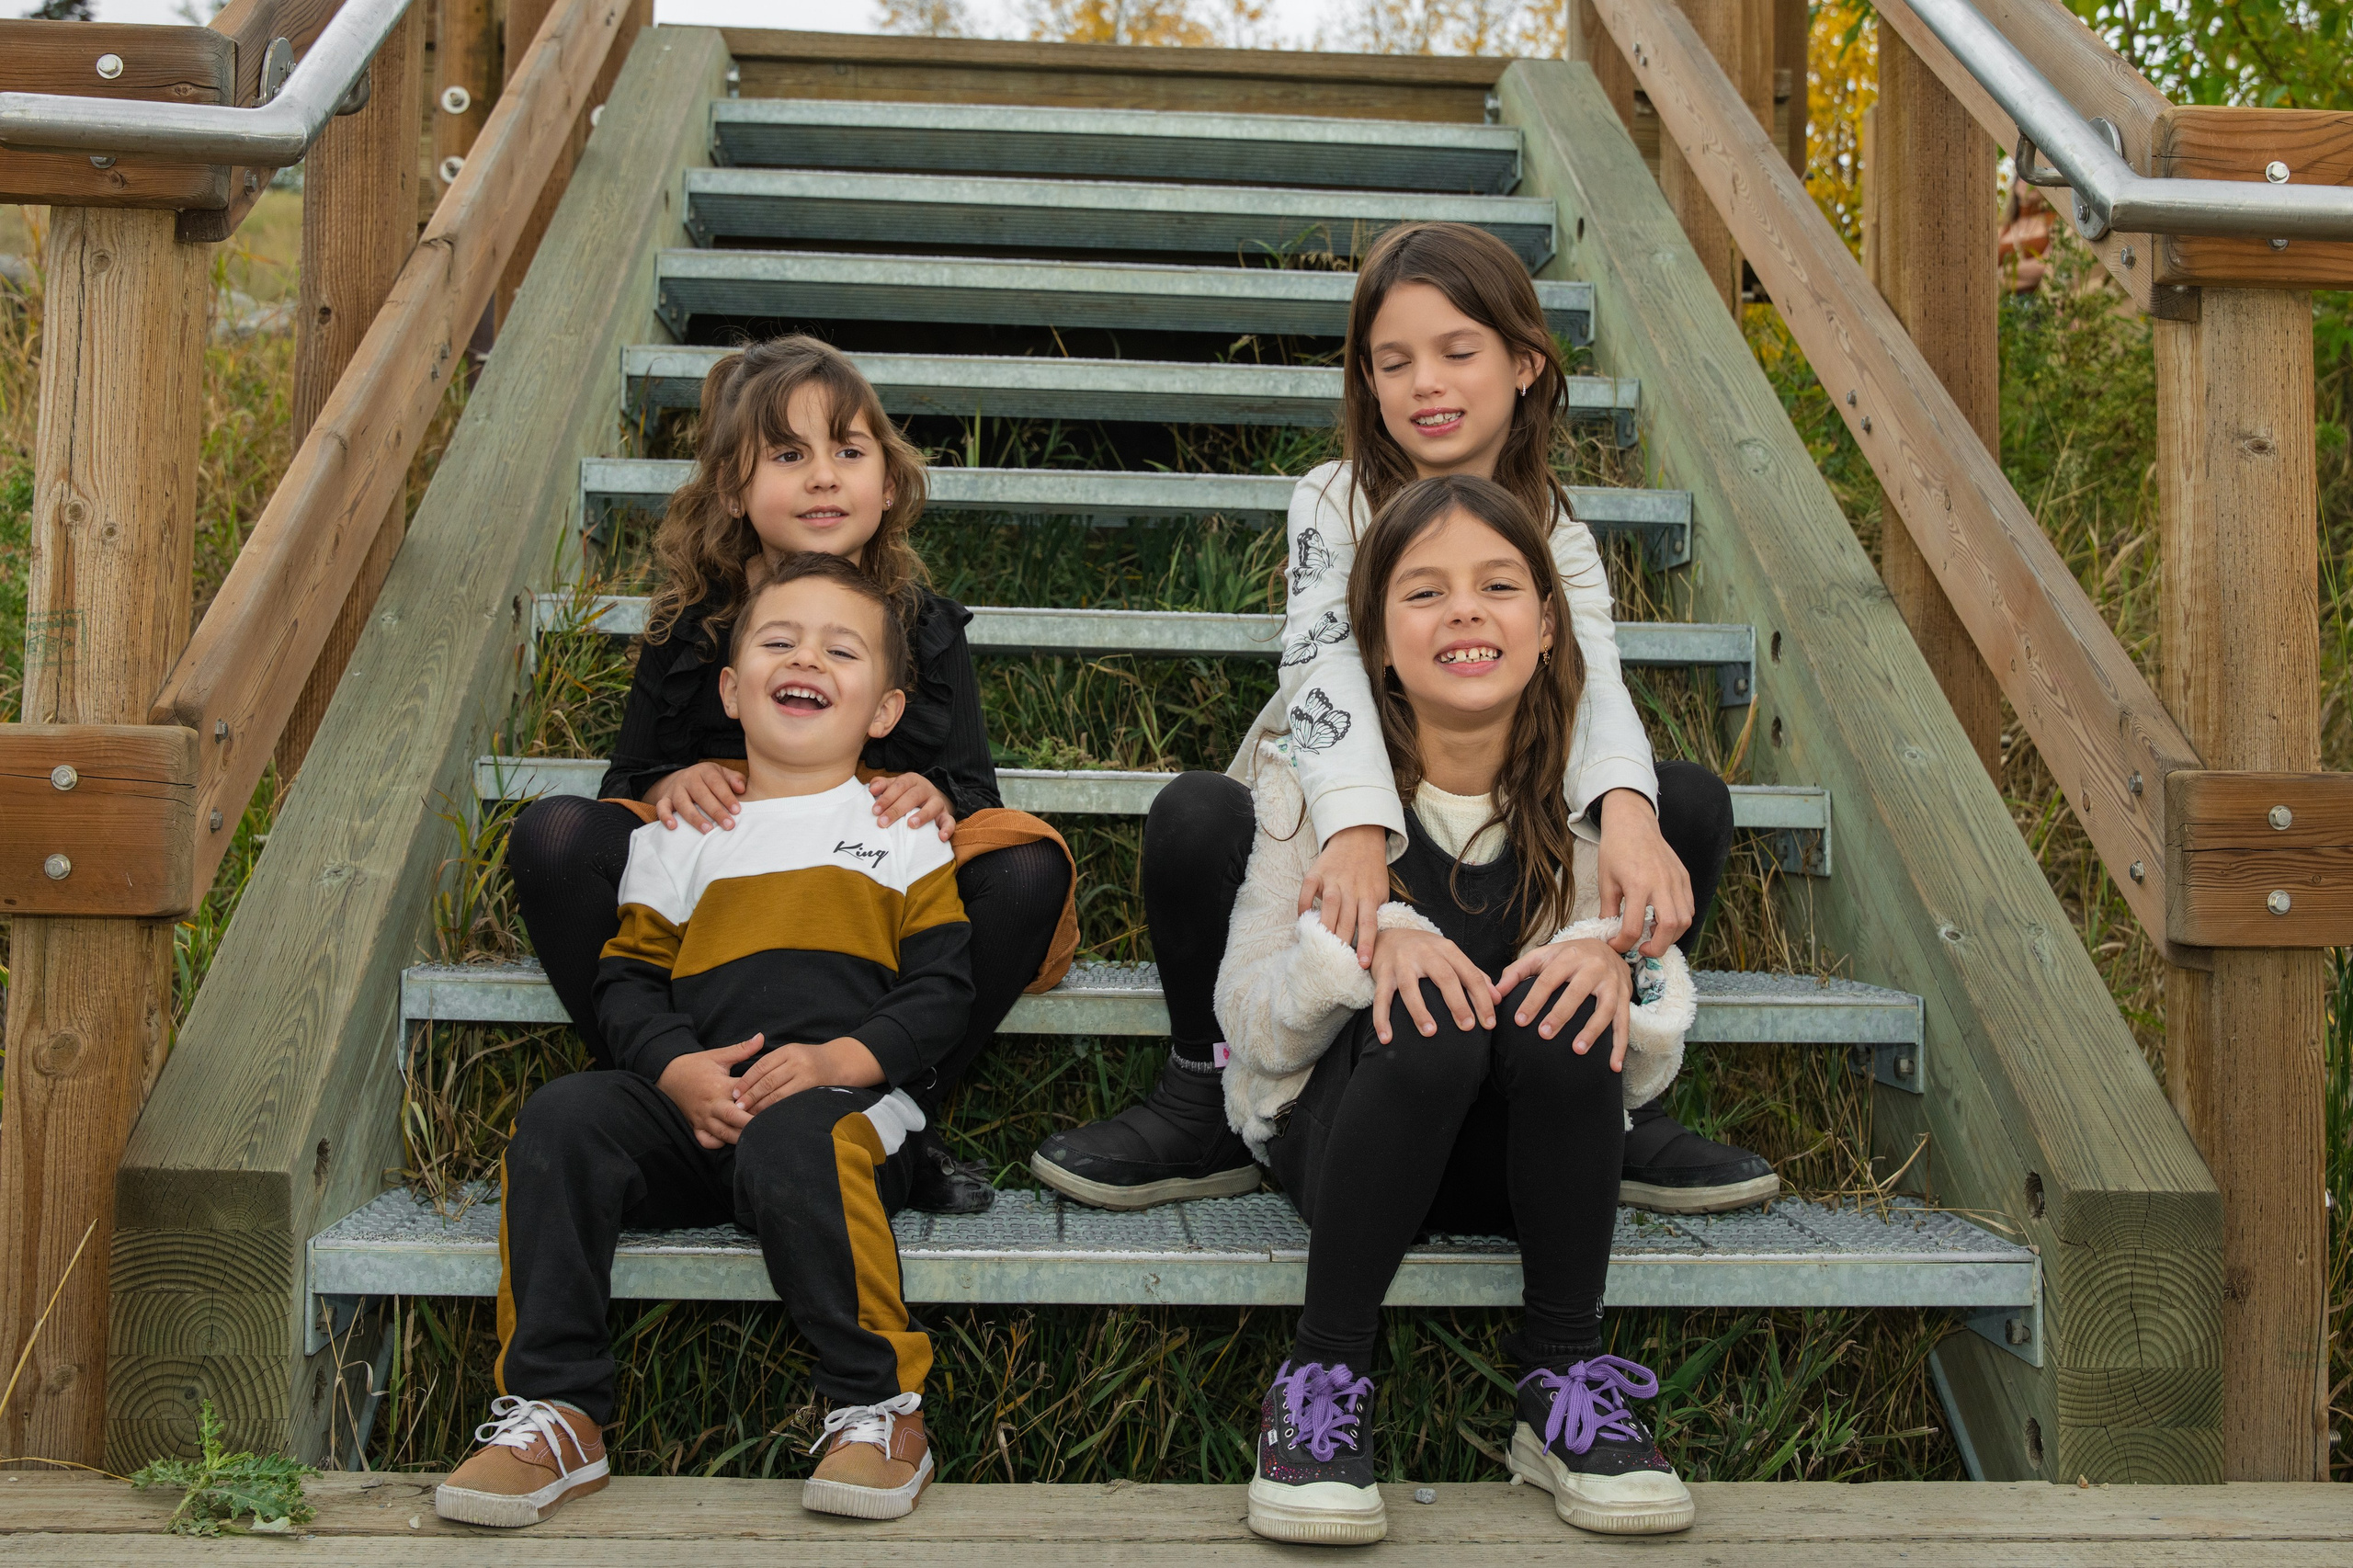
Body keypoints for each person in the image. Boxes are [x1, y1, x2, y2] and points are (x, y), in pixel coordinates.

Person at [1031, 222, 1771, 1217]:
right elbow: (1324, 661)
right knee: (1197, 817)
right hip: (1346, 815)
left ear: (1524, 363)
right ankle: (1207, 1091)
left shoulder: (1557, 531)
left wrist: (1632, 816)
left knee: (1682, 802)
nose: (1426, 382)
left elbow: (1592, 679)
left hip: (1506, 824)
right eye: (1394, 361)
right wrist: (1354, 828)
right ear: (1367, 381)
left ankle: (1611, 1104)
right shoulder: (1334, 500)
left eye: (1458, 351)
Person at [437, 556, 970, 1528]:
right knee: (564, 1117)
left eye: (840, 650)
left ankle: (879, 1408)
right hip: (702, 1112)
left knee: (803, 1139)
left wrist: (839, 1061)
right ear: (730, 689)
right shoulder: (680, 831)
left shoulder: (902, 827)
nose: (805, 659)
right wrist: (676, 1069)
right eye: (779, 640)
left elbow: (942, 992)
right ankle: (556, 1413)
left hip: (846, 1114)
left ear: (885, 710)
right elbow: (629, 982)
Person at [1221, 475, 1697, 1543]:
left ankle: (1561, 1379)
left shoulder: (1594, 810)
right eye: (1424, 591)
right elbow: (1249, 1020)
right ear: (1377, 643)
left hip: (1520, 1162)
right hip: (1346, 1141)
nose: (1465, 611)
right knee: (1431, 1014)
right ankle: (1322, 1376)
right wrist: (1360, 944)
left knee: (1568, 1000)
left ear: (1548, 626)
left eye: (1497, 586)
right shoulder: (1309, 790)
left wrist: (1613, 966)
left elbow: (1648, 1049)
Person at [509, 335, 1075, 1215]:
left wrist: (936, 793)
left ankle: (895, 1113)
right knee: (554, 837)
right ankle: (673, 1089)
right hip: (721, 866)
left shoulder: (923, 627)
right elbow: (632, 772)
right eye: (787, 456)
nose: (822, 478)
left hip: (867, 886)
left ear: (888, 486)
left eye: (848, 453)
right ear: (733, 491)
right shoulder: (692, 625)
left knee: (1028, 868)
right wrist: (667, 787)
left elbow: (974, 790)